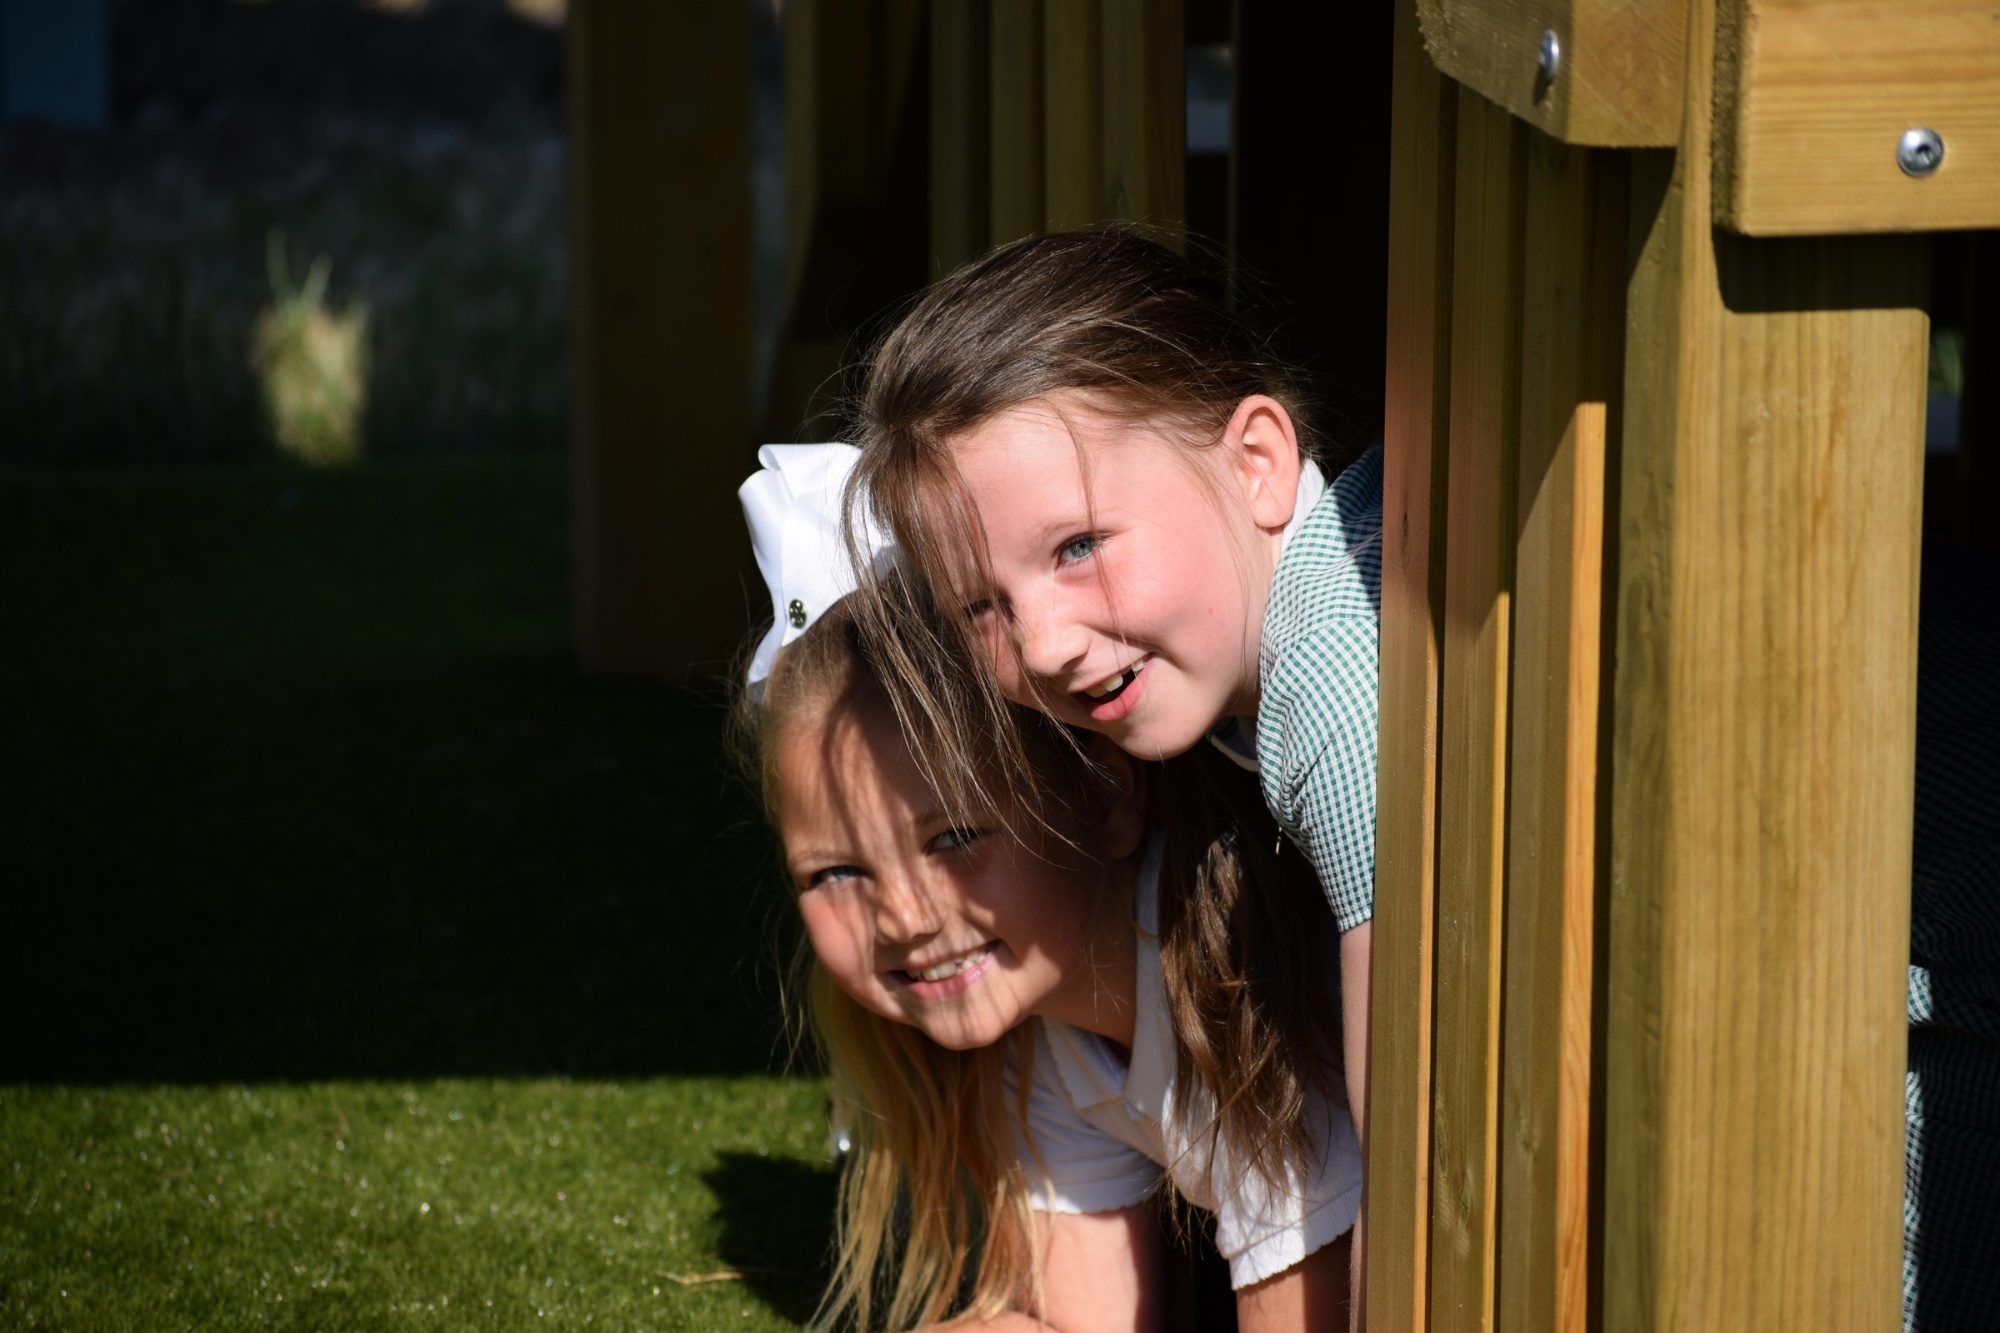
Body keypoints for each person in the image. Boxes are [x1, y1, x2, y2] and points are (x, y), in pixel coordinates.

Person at [843, 229, 1383, 1295]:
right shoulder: (1266, 666)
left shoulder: (1329, 680)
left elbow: (1411, 1144)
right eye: (984, 607)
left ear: (1256, 462)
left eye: (1077, 547)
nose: (1040, 645)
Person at [739, 445, 1361, 1332]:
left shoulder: (1241, 1007)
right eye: (837, 872)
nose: (904, 918)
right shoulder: (1058, 1038)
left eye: (955, 838)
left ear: (1105, 790)